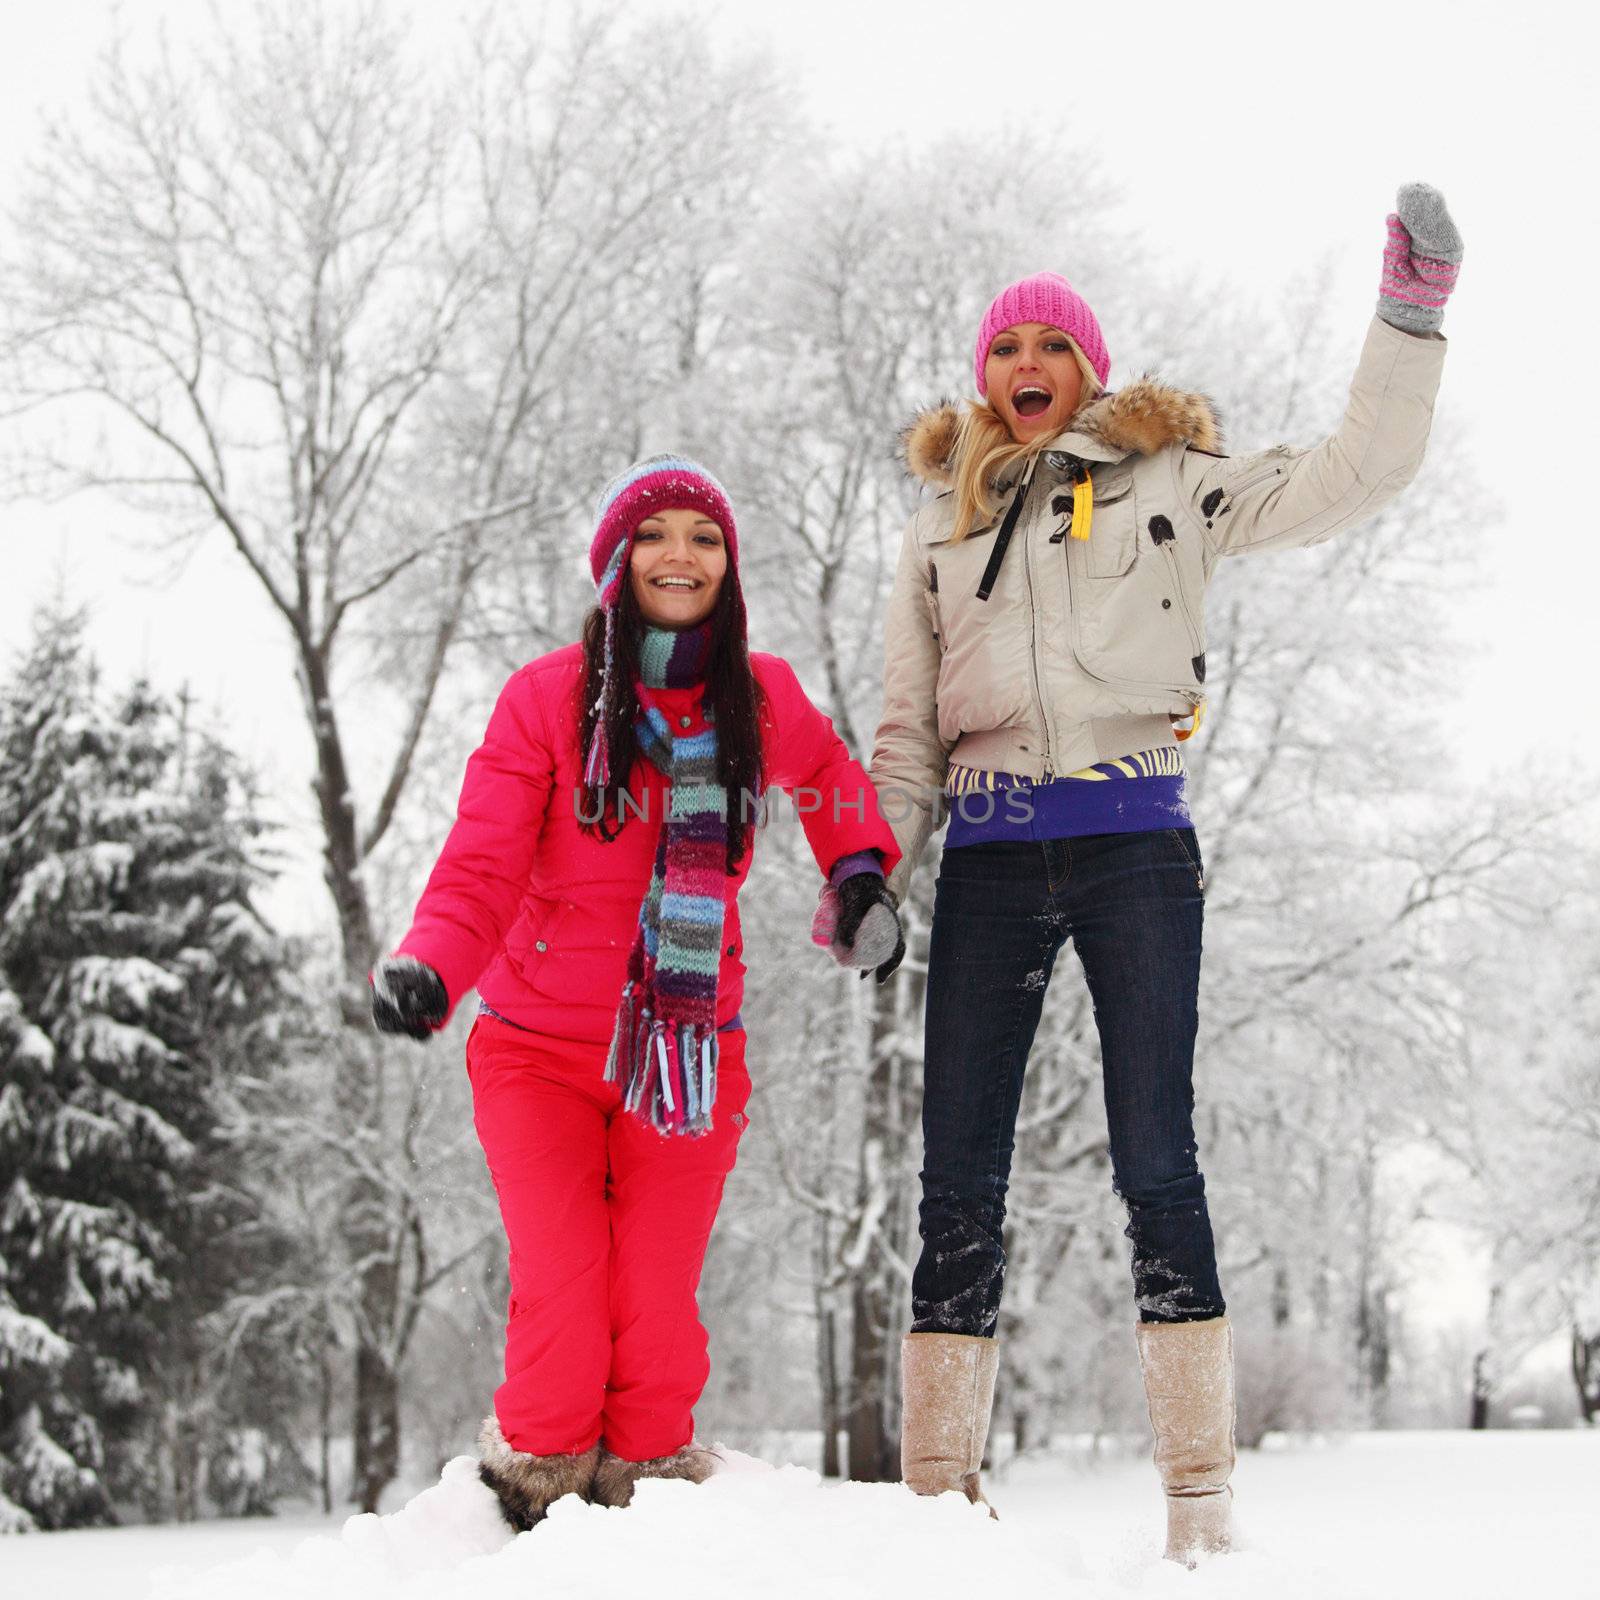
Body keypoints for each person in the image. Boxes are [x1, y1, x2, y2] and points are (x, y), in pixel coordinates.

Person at [871, 186, 1459, 1560]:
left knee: (1158, 1162)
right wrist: (870, 870)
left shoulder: (1167, 486)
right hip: (991, 857)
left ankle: (1200, 1502)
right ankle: (934, 1497)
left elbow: (1346, 475)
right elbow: (904, 725)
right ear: (985, 379)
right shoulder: (941, 530)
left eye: (1052, 348)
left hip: (1135, 846)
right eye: (1006, 349)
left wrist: (1408, 314)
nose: (1028, 368)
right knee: (958, 1171)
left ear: (1091, 371)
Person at [371, 455, 903, 1530]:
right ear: (617, 561)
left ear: (728, 568)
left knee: (653, 1310)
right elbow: (480, 863)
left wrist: (858, 877)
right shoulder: (546, 700)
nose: (680, 554)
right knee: (565, 1296)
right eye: (655, 534)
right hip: (535, 1051)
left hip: (689, 1053)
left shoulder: (759, 697)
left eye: (703, 538)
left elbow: (834, 782)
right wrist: (433, 964)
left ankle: (649, 1517)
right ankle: (533, 1500)